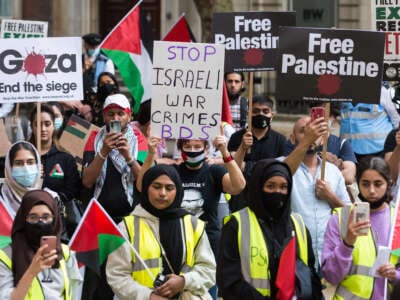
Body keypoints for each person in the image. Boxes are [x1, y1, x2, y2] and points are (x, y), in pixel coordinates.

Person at [217, 159, 322, 299]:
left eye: (283, 187)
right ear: (258, 187)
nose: (277, 192)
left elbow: (309, 272)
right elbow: (229, 281)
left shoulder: (298, 224)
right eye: (270, 186)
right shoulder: (236, 224)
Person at [106, 164, 215, 300]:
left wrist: (183, 281)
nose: (162, 193)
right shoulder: (126, 227)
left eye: (169, 188)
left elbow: (209, 270)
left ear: (178, 191)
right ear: (146, 189)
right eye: (156, 187)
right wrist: (149, 296)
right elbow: (117, 276)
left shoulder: (193, 225)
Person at [138, 135, 246, 256]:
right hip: (178, 238)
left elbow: (238, 186)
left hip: (208, 240)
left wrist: (225, 152)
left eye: (197, 146)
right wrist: (150, 155)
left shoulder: (214, 172)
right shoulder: (173, 172)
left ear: (206, 149)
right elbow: (142, 186)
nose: (193, 151)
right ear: (180, 149)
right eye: (187, 146)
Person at [81, 93, 141, 300]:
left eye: (120, 114)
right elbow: (87, 181)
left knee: (128, 275)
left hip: (131, 220)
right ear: (104, 117)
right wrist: (103, 152)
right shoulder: (93, 139)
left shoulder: (139, 140)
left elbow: (144, 182)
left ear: (129, 115)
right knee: (100, 281)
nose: (115, 118)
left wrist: (129, 157)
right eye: (110, 114)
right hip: (100, 220)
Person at [322, 156, 400, 299]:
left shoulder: (397, 220)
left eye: (378, 184)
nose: (371, 191)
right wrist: (347, 243)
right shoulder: (340, 218)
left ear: (389, 184)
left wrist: (395, 275)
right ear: (358, 184)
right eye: (365, 184)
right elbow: (330, 275)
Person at [282, 116, 351, 268]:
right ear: (292, 139)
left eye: (315, 133)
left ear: (323, 139)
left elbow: (349, 216)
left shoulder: (333, 172)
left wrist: (330, 196)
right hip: (294, 256)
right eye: (304, 132)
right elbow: (282, 174)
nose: (311, 136)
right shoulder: (281, 165)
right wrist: (307, 140)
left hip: (326, 257)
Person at [0, 189, 82, 299]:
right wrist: (31, 272)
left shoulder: (65, 254)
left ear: (55, 219)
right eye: (33, 217)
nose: (40, 223)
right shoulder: (5, 256)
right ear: (23, 220)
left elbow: (72, 294)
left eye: (46, 217)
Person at [227, 95, 286, 212]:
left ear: (272, 115)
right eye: (256, 111)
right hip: (241, 198)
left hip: (268, 198)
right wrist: (242, 148)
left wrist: (247, 166)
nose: (261, 115)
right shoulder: (236, 137)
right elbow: (233, 169)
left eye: (265, 111)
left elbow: (280, 170)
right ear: (248, 114)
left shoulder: (280, 140)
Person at [29, 103, 81, 204]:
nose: (43, 129)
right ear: (32, 126)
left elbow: (73, 191)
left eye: (47, 124)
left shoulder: (66, 158)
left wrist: (54, 198)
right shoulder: (23, 156)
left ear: (54, 125)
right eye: (38, 124)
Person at [340, 82, 399, 161]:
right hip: (348, 152)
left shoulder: (384, 90)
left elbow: (397, 121)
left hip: (378, 152)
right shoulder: (342, 88)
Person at [0, 141, 42, 217]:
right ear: (9, 167)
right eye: (18, 163)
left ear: (38, 165)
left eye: (30, 162)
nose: (26, 168)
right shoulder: (2, 200)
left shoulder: (49, 199)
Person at [82, 33, 115, 101]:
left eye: (96, 46)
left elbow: (110, 82)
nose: (93, 48)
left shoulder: (106, 61)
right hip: (82, 97)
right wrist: (83, 68)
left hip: (99, 97)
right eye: (91, 46)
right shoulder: (77, 60)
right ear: (85, 45)